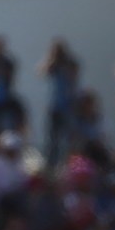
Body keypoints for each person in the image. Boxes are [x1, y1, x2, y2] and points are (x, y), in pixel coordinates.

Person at [39, 39, 80, 168]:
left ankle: (68, 164)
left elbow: (75, 76)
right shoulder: (53, 65)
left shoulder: (70, 63)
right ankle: (51, 165)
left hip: (68, 106)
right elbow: (42, 71)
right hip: (54, 107)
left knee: (68, 138)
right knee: (52, 139)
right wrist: (51, 59)